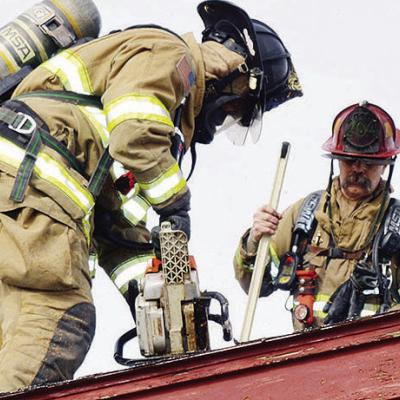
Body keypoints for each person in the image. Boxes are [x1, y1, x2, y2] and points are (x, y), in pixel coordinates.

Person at [0, 0, 302, 393]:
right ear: (236, 75)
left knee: (13, 332)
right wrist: (176, 203)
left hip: (20, 205)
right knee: (59, 317)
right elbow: (135, 130)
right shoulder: (169, 53)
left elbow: (115, 226)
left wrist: (158, 292)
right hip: (30, 193)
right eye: (236, 111)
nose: (221, 123)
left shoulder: (143, 97)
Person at [234, 101, 400, 332]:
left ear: (386, 165)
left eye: (370, 163)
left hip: (374, 361)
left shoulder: (396, 227)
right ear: (336, 160)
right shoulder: (304, 216)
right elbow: (256, 286)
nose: (358, 169)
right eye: (350, 160)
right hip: (308, 359)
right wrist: (253, 241)